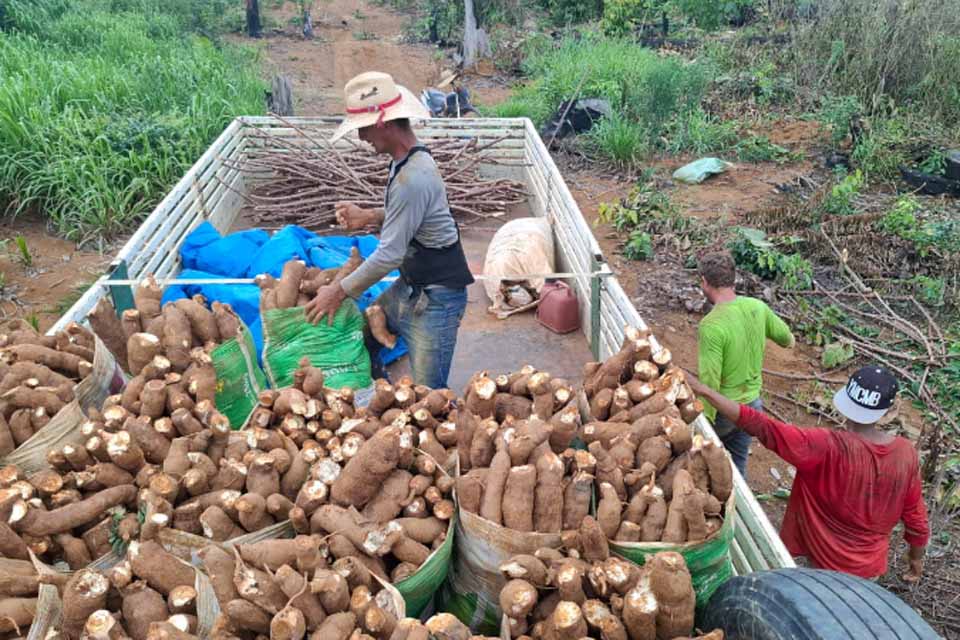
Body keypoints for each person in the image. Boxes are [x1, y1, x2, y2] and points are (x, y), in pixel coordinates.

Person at [305, 71, 474, 389]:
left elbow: (389, 255)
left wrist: (337, 292)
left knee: (428, 396)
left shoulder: (414, 177)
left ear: (383, 122)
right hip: (410, 287)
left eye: (363, 128)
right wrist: (369, 215)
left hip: (436, 300)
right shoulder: (406, 161)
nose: (361, 137)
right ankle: (382, 394)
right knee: (365, 334)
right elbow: (412, 218)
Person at [687, 365, 929, 581]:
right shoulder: (906, 454)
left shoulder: (825, 446)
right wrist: (916, 560)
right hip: (869, 572)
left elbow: (762, 426)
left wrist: (705, 391)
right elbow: (916, 518)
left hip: (822, 568)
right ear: (888, 412)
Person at [696, 251, 794, 477]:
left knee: (702, 466)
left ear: (704, 281)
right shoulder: (757, 307)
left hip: (724, 411)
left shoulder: (711, 325)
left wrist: (704, 422)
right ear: (733, 279)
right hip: (752, 407)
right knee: (737, 467)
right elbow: (787, 339)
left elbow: (710, 380)